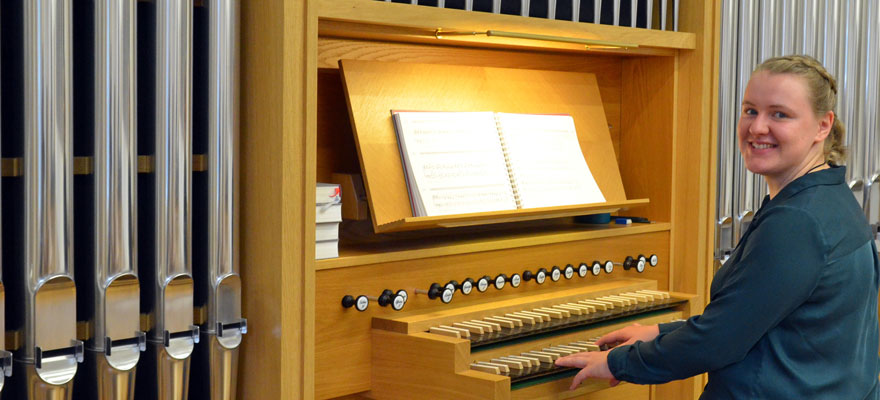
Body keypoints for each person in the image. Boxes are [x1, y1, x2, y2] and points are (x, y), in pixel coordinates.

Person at [556, 55, 880, 398]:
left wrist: (618, 363)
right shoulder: (829, 196)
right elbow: (760, 321)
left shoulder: (797, 221)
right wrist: (661, 330)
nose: (757, 127)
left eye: (779, 114)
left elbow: (718, 342)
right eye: (750, 110)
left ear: (822, 126)